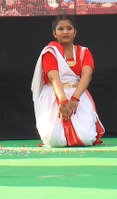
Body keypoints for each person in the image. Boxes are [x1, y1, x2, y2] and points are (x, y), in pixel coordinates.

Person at [31, 15, 104, 148]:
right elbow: (53, 77)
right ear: (54, 33)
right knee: (54, 140)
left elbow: (87, 76)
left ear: (75, 32)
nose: (65, 32)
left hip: (78, 95)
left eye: (69, 28)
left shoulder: (84, 52)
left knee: (85, 138)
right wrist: (63, 101)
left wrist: (75, 99)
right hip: (54, 95)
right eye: (61, 29)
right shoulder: (50, 52)